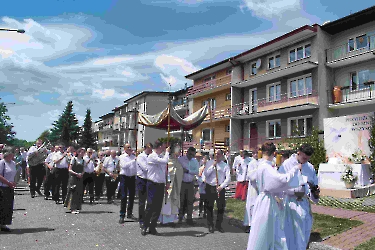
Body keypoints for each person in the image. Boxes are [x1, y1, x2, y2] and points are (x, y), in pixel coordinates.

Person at [247, 142, 302, 250]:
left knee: (262, 230)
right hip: (267, 202)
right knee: (269, 230)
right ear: (274, 153)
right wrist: (294, 169)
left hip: (262, 199)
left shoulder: (261, 166)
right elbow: (282, 180)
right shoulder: (266, 167)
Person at [278, 144, 320, 250]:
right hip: (290, 203)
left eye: (308, 158)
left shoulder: (309, 167)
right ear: (299, 153)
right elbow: (280, 184)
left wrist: (315, 190)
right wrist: (294, 191)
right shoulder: (287, 164)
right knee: (291, 231)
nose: (305, 160)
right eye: (304, 158)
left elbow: (313, 182)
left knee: (305, 228)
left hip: (304, 203)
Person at [141, 141, 170, 236]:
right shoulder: (152, 156)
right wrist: (167, 152)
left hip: (160, 184)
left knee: (158, 207)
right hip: (152, 184)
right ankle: (145, 226)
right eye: (163, 146)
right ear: (160, 146)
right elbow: (166, 161)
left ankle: (152, 227)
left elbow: (165, 171)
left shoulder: (161, 156)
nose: (164, 148)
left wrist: (167, 181)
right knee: (150, 205)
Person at [203, 149, 231, 233]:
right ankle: (210, 225)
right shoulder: (209, 163)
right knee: (209, 206)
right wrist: (212, 166)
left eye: (218, 154)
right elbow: (206, 174)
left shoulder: (225, 165)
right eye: (215, 154)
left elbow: (228, 178)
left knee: (221, 207)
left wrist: (222, 186)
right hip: (210, 186)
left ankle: (218, 225)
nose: (217, 155)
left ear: (222, 155)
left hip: (220, 188)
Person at [177, 147, 199, 225]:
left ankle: (189, 218)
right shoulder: (181, 159)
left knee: (190, 201)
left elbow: (196, 171)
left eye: (193, 155)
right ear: (187, 152)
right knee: (181, 201)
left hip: (190, 183)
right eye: (190, 154)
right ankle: (180, 217)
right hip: (182, 182)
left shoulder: (195, 161)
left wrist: (188, 171)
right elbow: (177, 169)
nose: (191, 156)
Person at [118, 143, 137, 223]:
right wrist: (133, 161)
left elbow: (135, 168)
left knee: (132, 196)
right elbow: (124, 166)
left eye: (130, 147)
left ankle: (129, 213)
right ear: (125, 149)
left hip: (132, 177)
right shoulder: (122, 157)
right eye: (128, 147)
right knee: (124, 196)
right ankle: (122, 215)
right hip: (124, 177)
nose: (130, 148)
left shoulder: (133, 157)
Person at [0, 146, 17, 232]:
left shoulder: (13, 163)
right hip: (2, 187)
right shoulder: (2, 163)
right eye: (11, 153)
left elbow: (13, 174)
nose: (13, 155)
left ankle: (4, 224)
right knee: (2, 206)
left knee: (8, 206)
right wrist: (8, 182)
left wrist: (13, 182)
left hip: (9, 187)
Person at [65, 147, 86, 214]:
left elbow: (84, 169)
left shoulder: (83, 160)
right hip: (73, 177)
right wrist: (76, 174)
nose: (83, 154)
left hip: (80, 178)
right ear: (78, 152)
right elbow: (70, 169)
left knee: (79, 192)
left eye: (83, 153)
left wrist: (81, 174)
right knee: (72, 192)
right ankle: (72, 208)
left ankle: (77, 207)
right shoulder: (73, 159)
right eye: (81, 152)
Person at [136, 143, 152, 229]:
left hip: (149, 180)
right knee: (142, 202)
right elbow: (145, 168)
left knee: (149, 201)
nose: (151, 151)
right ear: (145, 148)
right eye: (149, 149)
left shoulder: (151, 156)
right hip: (142, 179)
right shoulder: (141, 157)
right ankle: (141, 220)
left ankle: (147, 219)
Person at [243, 152, 259, 233]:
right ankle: (249, 224)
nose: (256, 155)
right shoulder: (251, 163)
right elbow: (250, 175)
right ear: (253, 155)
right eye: (255, 154)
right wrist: (258, 170)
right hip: (253, 188)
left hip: (260, 188)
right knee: (251, 205)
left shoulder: (261, 162)